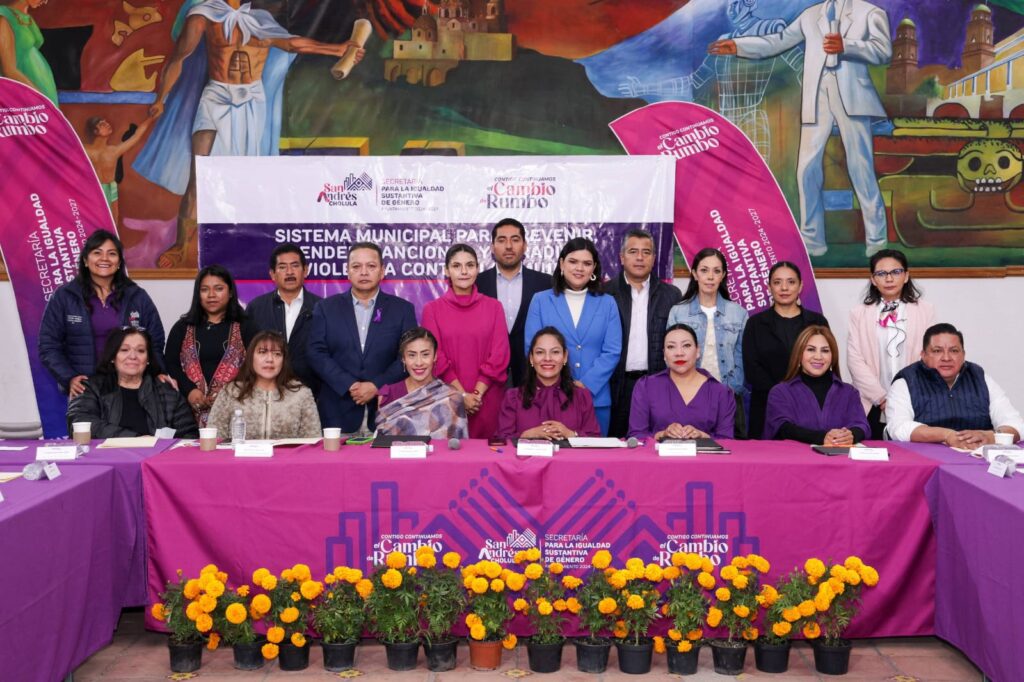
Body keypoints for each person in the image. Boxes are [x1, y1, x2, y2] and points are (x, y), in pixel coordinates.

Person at [135, 0, 365, 268]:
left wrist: (338, 49)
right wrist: (160, 98)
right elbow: (178, 58)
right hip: (216, 97)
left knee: (243, 176)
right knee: (199, 175)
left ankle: (236, 241)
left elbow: (293, 44)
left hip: (251, 101)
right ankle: (181, 245)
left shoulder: (259, 20)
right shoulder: (203, 17)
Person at [709, 0, 892, 257]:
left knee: (861, 169)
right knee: (806, 169)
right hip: (816, 98)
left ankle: (877, 240)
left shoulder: (870, 13)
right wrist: (740, 47)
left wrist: (847, 46)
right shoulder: (810, 15)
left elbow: (883, 51)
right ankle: (812, 240)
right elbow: (778, 41)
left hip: (854, 98)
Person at [39, 229, 167, 398]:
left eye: (112, 253)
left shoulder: (137, 296)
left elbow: (155, 341)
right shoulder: (65, 296)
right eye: (97, 252)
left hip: (130, 389)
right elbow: (48, 345)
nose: (104, 258)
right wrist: (69, 378)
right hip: (85, 390)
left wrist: (158, 373)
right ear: (85, 260)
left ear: (119, 262)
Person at [308, 242, 417, 433]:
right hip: (337, 411)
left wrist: (376, 386)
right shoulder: (326, 308)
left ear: (382, 271)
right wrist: (349, 384)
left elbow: (407, 357)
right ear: (348, 272)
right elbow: (315, 353)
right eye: (356, 266)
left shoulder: (402, 309)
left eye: (371, 266)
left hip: (388, 411)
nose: (364, 272)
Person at [524, 238, 622, 435]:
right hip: (550, 398)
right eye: (573, 261)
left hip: (596, 398)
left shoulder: (608, 303)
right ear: (561, 264)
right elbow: (531, 347)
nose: (579, 268)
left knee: (592, 454)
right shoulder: (540, 300)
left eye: (586, 263)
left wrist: (586, 385)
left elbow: (612, 351)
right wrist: (560, 385)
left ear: (594, 268)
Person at [422, 244, 510, 439]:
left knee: (488, 455)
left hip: (487, 400)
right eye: (456, 266)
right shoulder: (432, 310)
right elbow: (435, 358)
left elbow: (500, 354)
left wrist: (475, 395)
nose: (464, 271)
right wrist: (462, 396)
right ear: (447, 271)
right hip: (447, 400)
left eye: (469, 265)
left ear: (477, 269)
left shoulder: (494, 307)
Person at [886, 323, 1024, 447]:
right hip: (926, 460)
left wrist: (990, 436)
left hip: (978, 457)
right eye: (937, 351)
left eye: (954, 351)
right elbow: (898, 427)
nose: (946, 358)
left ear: (963, 355)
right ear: (923, 355)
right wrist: (947, 435)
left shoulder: (980, 378)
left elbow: (1016, 424)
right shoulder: (906, 381)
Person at [847, 249, 934, 440]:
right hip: (872, 403)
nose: (889, 278)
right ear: (873, 279)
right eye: (881, 273)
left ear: (906, 276)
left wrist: (903, 397)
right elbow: (855, 360)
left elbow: (929, 355)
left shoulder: (925, 311)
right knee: (874, 452)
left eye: (896, 272)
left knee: (914, 452)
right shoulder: (859, 313)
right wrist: (882, 398)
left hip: (914, 400)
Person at [603, 228, 682, 437]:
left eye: (646, 252)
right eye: (633, 251)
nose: (640, 257)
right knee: (615, 445)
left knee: (655, 445)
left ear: (654, 259)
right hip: (615, 385)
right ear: (621, 257)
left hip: (657, 385)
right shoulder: (604, 293)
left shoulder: (671, 295)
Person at [743, 261, 829, 438]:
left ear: (800, 286)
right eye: (777, 282)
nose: (784, 288)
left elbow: (825, 362)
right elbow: (752, 369)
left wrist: (800, 394)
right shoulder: (755, 323)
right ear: (769, 287)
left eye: (791, 282)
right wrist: (782, 395)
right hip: (766, 406)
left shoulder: (817, 321)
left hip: (808, 405)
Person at [165, 264, 258, 427]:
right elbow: (171, 364)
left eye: (218, 289)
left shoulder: (246, 326)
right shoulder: (182, 327)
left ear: (230, 292)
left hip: (237, 410)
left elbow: (256, 365)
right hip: (187, 413)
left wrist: (230, 392)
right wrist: (190, 390)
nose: (211, 295)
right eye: (204, 290)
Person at [666, 248, 747, 435]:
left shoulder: (738, 313)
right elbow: (670, 355)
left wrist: (731, 390)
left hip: (728, 395)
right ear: (695, 274)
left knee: (729, 448)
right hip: (688, 396)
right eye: (704, 270)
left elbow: (742, 357)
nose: (710, 277)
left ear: (723, 276)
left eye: (716, 271)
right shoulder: (678, 311)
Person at [66, 327, 197, 438]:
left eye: (140, 351)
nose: (133, 356)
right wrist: (135, 439)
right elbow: (80, 423)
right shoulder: (91, 388)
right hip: (106, 459)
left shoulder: (167, 391)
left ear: (148, 359)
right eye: (124, 350)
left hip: (157, 459)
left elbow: (189, 435)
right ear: (112, 357)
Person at [628, 324, 735, 441]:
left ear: (698, 351)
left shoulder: (721, 392)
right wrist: (662, 434)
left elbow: (727, 441)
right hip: (657, 453)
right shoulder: (646, 386)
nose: (679, 353)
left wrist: (703, 437)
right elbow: (636, 436)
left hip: (704, 453)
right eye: (671, 347)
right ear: (664, 354)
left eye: (686, 345)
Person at [763, 325, 868, 445]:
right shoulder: (780, 392)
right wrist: (821, 437)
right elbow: (782, 428)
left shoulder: (849, 392)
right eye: (811, 349)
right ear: (799, 354)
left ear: (833, 356)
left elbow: (861, 426)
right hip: (794, 456)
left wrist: (850, 436)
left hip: (839, 457)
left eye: (825, 351)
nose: (818, 357)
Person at [477, 218, 550, 386]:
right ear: (492, 247)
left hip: (532, 377)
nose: (509, 246)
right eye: (502, 240)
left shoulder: (546, 283)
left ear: (525, 246)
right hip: (486, 377)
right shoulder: (477, 284)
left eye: (515, 240)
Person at [207, 330, 321, 439]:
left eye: (277, 354)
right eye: (262, 352)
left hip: (288, 454)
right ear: (251, 357)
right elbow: (214, 438)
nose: (270, 359)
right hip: (238, 454)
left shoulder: (301, 394)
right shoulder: (231, 392)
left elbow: (312, 441)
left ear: (284, 360)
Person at [496, 327, 601, 440]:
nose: (547, 358)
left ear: (565, 357)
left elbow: (595, 440)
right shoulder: (513, 397)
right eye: (540, 352)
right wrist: (525, 435)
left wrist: (571, 434)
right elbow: (501, 440)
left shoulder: (582, 397)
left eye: (555, 352)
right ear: (531, 358)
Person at [245, 243, 322, 393]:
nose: (289, 272)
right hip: (266, 392)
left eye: (295, 266)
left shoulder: (321, 308)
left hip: (311, 392)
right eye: (282, 267)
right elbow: (248, 353)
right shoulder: (256, 308)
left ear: (305, 270)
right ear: (272, 274)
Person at [376, 327, 468, 439]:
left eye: (425, 354)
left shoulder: (452, 397)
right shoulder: (387, 395)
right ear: (403, 358)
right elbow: (381, 444)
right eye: (412, 355)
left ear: (435, 356)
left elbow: (456, 445)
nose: (419, 363)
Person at [82, 115, 154, 223]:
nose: (107, 124)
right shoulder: (85, 149)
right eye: (102, 124)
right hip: (92, 189)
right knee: (91, 221)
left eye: (106, 122)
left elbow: (136, 136)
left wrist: (151, 118)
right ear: (95, 131)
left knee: (113, 221)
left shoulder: (114, 151)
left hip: (111, 188)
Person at [0, 0, 58, 104]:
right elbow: (9, 70)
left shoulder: (27, 17)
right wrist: (38, 96)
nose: (45, 1)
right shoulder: (3, 16)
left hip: (43, 87)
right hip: (26, 89)